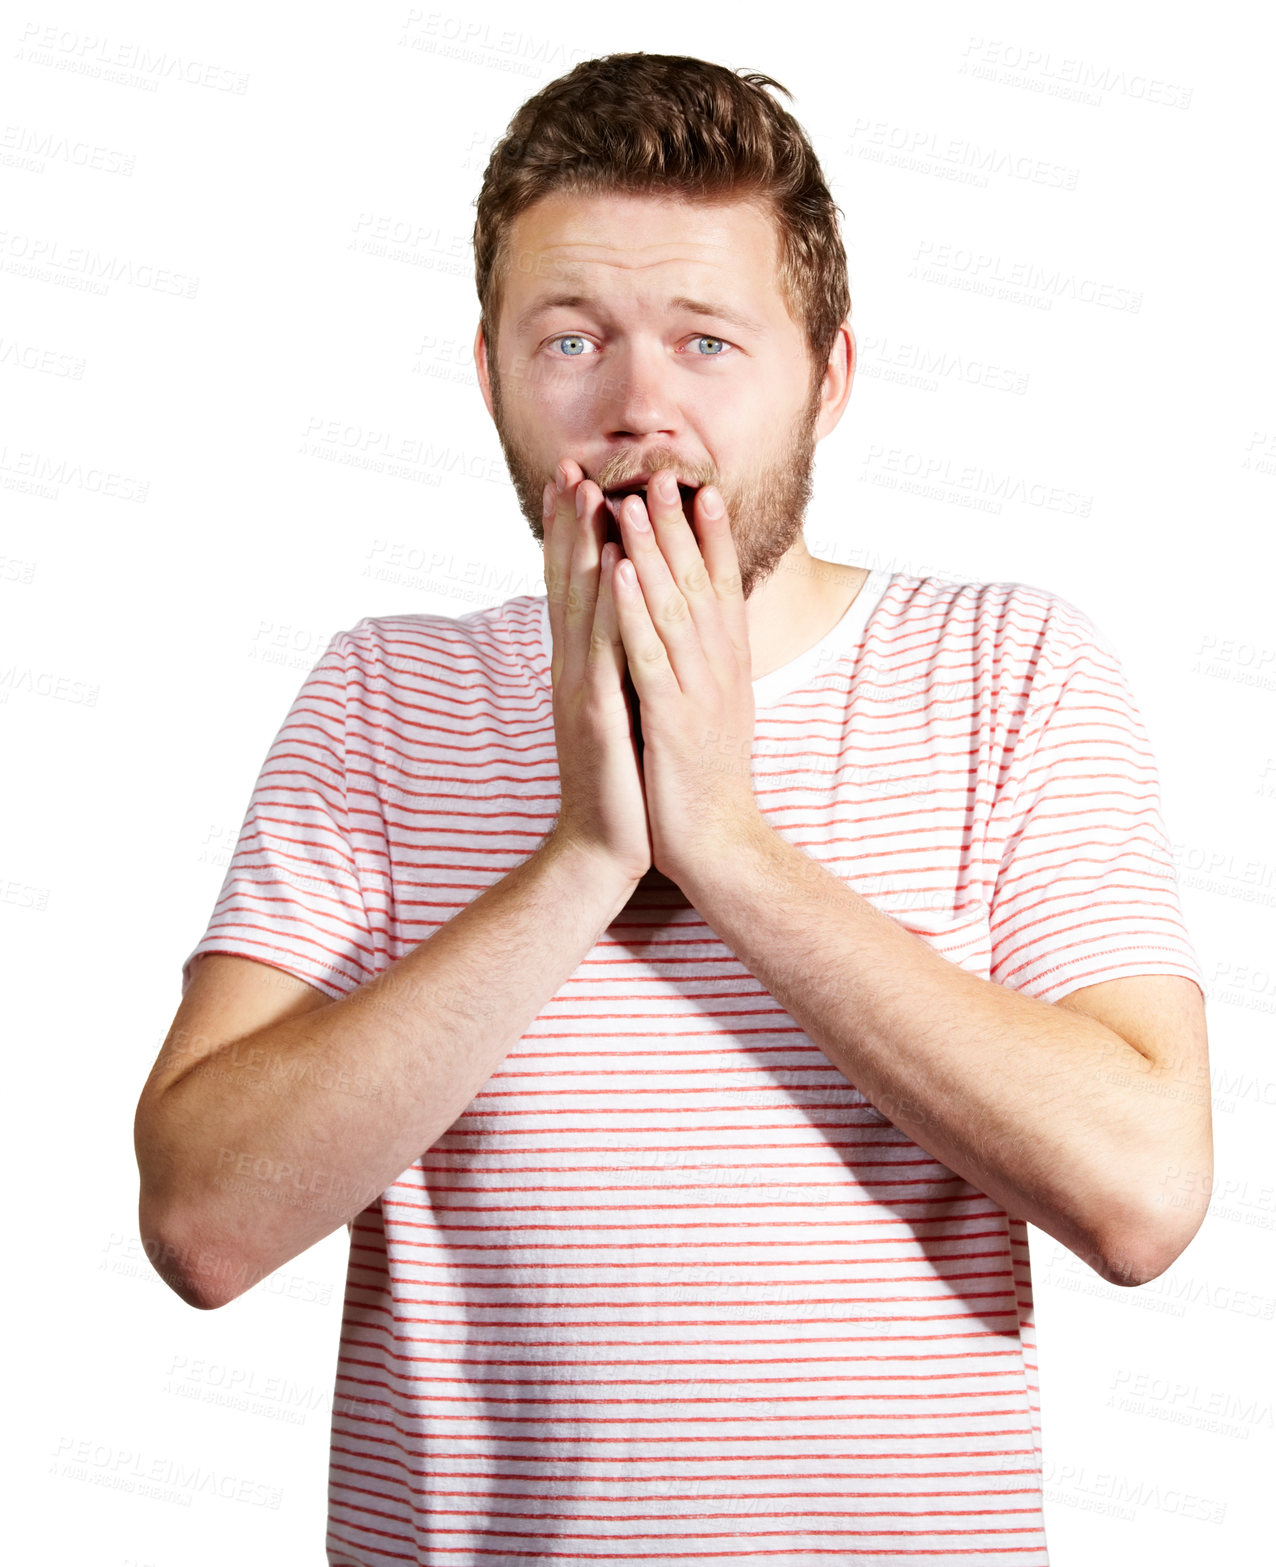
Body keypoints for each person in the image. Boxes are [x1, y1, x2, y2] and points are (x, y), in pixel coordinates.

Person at [133, 52, 1211, 1566]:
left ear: (829, 376)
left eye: (710, 343)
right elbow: (201, 1223)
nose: (639, 408)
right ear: (492, 371)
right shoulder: (386, 697)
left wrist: (731, 851)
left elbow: (1146, 1196)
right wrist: (584, 858)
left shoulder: (1009, 670)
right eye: (572, 339)